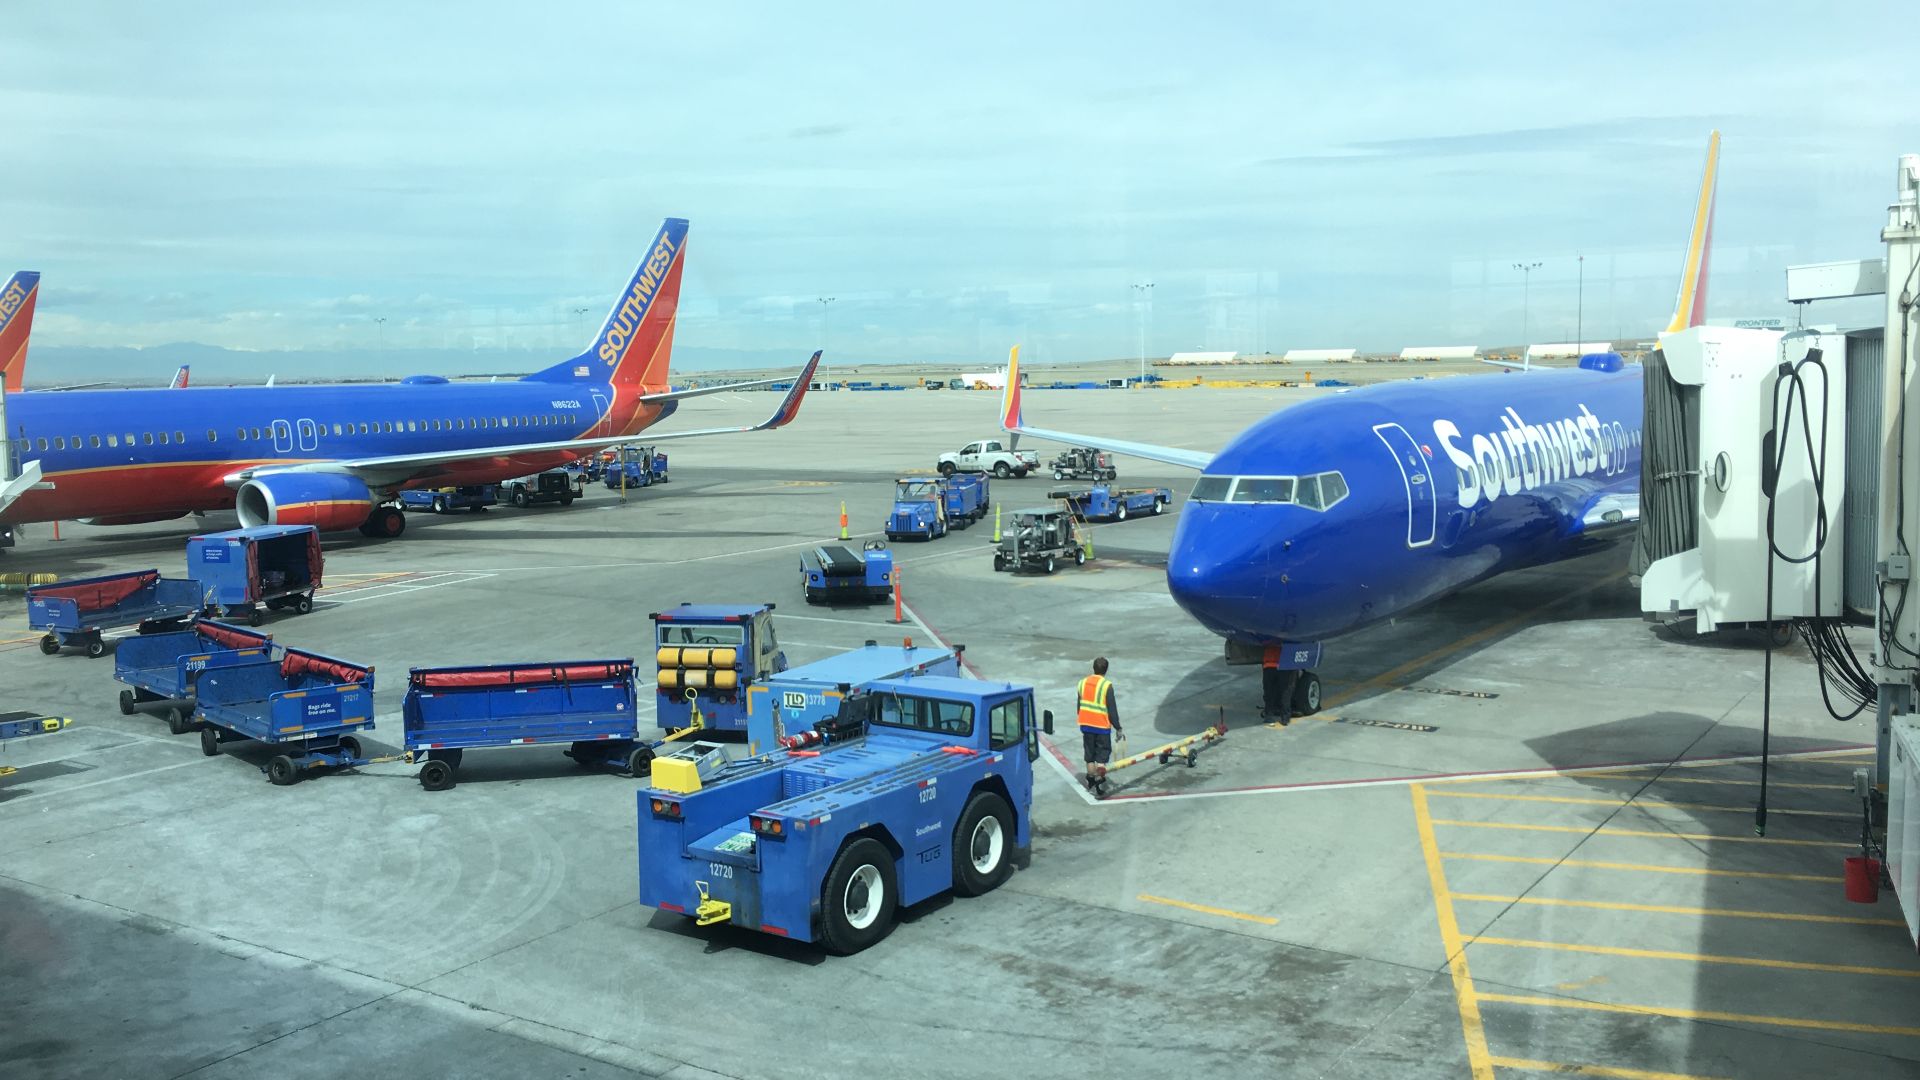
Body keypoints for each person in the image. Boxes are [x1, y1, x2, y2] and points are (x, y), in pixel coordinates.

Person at [1077, 657, 1120, 790]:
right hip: (1101, 727)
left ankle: (1090, 778)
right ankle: (1099, 779)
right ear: (1106, 670)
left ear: (1093, 668)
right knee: (1101, 757)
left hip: (1086, 725)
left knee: (1089, 756)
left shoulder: (1082, 683)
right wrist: (1118, 727)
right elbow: (1112, 710)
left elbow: (1079, 706)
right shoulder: (1106, 686)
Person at [1261, 644, 1299, 726]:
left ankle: (1269, 716)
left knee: (1269, 692)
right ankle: (1285, 717)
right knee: (1286, 691)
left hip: (1269, 664)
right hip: (1284, 665)